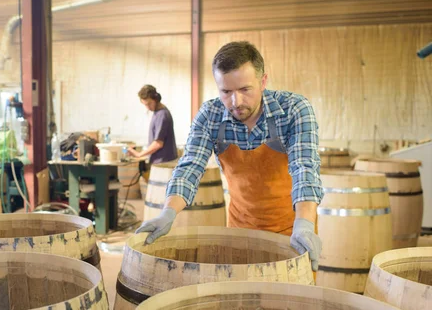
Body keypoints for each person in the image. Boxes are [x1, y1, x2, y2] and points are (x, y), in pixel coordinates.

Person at [135, 41, 324, 271]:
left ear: (263, 81)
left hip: (293, 231)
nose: (236, 103)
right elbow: (190, 167)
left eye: (245, 90)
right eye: (226, 92)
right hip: (240, 230)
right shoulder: (210, 115)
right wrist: (167, 213)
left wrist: (304, 224)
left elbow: (305, 168)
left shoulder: (294, 109)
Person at [127, 85, 177, 164]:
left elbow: (158, 144)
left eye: (149, 103)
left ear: (156, 99)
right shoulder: (157, 113)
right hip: (160, 161)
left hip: (163, 162)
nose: (148, 107)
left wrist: (139, 154)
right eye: (145, 105)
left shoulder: (162, 114)